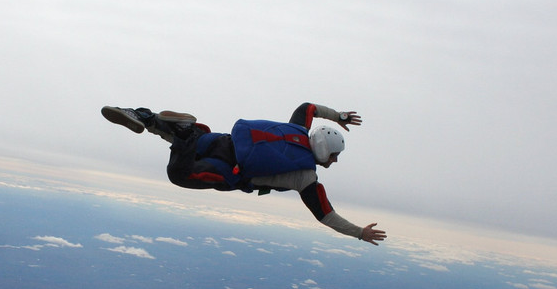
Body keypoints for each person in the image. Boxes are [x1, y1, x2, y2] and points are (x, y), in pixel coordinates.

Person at [101, 103, 387, 244]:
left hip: (222, 141)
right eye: (334, 156)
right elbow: (326, 215)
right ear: (324, 150)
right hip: (228, 172)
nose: (334, 162)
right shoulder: (306, 177)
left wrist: (338, 116)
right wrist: (359, 233)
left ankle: (146, 117)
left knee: (182, 141)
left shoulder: (298, 127)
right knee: (180, 174)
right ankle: (185, 131)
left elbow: (308, 107)